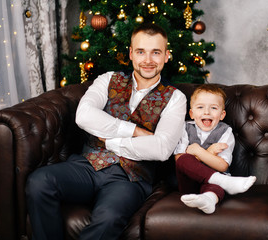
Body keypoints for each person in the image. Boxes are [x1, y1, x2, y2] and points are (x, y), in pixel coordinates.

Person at [26, 23, 187, 240]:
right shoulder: (107, 79)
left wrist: (111, 141)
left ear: (166, 56)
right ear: (131, 54)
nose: (148, 60)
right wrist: (136, 132)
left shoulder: (176, 98)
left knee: (109, 218)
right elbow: (83, 116)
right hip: (86, 166)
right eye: (141, 51)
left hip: (130, 180)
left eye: (155, 52)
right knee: (39, 181)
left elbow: (161, 148)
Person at [174, 84, 256, 214]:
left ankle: (208, 200)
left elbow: (222, 166)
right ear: (192, 113)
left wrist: (197, 150)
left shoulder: (225, 132)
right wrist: (209, 153)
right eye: (200, 107)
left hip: (212, 183)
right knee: (184, 159)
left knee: (215, 187)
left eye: (213, 108)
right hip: (189, 183)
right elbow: (180, 160)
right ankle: (226, 182)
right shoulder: (185, 129)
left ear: (222, 114)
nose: (206, 112)